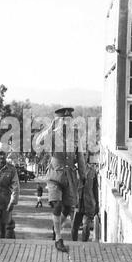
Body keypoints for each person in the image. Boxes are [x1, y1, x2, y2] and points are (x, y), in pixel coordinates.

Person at [36, 107, 86, 252]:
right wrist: (49, 129)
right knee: (57, 205)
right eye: (63, 120)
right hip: (54, 175)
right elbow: (38, 144)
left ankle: (56, 226)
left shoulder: (76, 136)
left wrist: (83, 175)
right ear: (58, 121)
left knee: (67, 207)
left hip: (70, 175)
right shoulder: (52, 135)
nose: (66, 123)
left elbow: (80, 157)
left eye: (69, 120)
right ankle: (58, 238)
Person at [71, 154, 99, 242]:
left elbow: (95, 189)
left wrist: (97, 204)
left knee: (86, 226)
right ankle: (74, 244)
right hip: (77, 203)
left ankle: (84, 245)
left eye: (85, 156)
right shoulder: (74, 171)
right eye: (81, 156)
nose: (83, 158)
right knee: (74, 226)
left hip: (89, 203)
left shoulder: (92, 171)